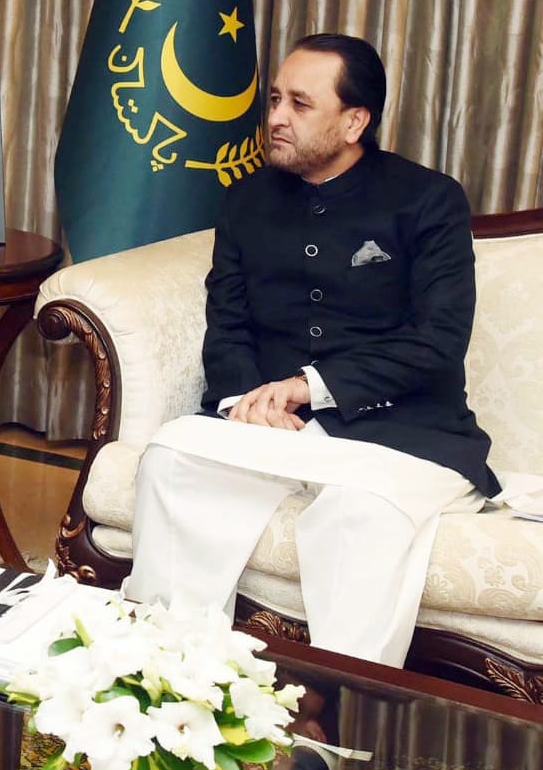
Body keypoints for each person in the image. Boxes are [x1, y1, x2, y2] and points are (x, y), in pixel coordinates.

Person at [125, 33, 497, 670]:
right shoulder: (246, 199)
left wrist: (307, 385)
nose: (275, 117)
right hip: (282, 431)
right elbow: (228, 322)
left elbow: (436, 342)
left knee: (360, 513)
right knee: (172, 456)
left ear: (354, 122)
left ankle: (337, 707)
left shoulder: (428, 200)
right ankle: (169, 677)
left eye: (300, 104)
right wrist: (245, 402)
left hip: (404, 434)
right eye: (274, 99)